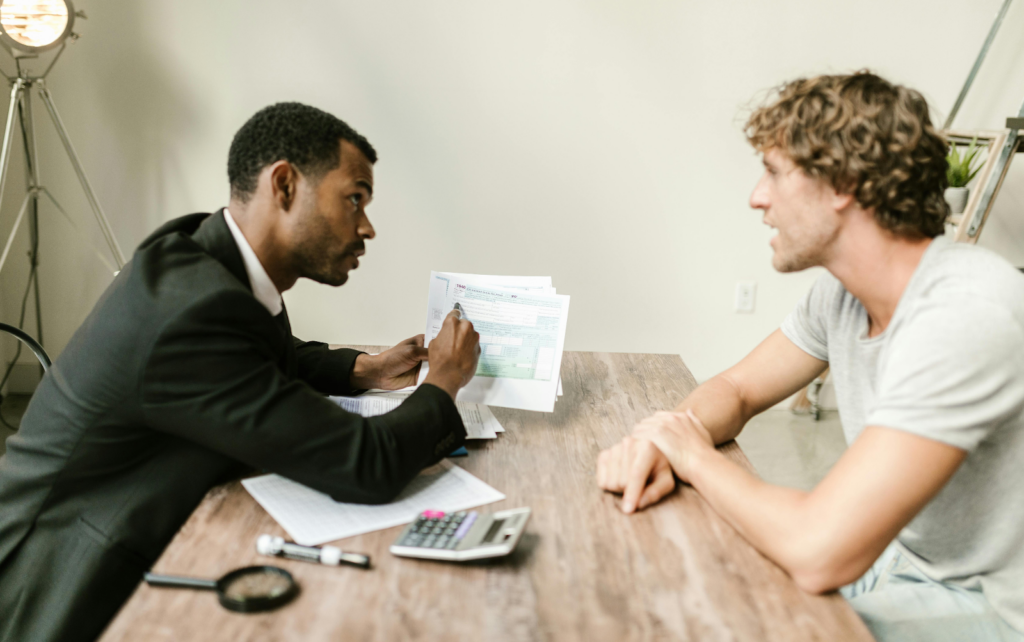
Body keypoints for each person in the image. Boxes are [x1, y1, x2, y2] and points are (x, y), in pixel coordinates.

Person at [0, 102, 480, 642]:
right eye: (354, 199)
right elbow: (363, 464)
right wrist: (444, 381)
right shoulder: (190, 312)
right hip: (63, 579)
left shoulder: (201, 253)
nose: (366, 227)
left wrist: (362, 369)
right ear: (284, 185)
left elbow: (253, 351)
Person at [596, 72, 1024, 641]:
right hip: (895, 565)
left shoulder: (967, 312)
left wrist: (692, 455)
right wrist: (669, 434)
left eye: (773, 172)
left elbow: (819, 550)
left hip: (990, 605)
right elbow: (740, 390)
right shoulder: (840, 295)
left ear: (843, 182)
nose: (757, 196)